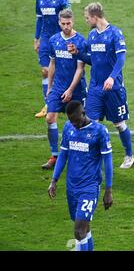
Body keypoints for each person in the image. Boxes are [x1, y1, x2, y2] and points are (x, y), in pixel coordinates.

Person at [68, 2, 134, 169]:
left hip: (114, 88)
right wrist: (78, 53)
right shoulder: (92, 35)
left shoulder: (115, 33)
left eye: (87, 18)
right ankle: (92, 158)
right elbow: (93, 60)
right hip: (96, 88)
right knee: (91, 123)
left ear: (95, 17)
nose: (86, 21)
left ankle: (129, 155)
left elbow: (121, 60)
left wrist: (112, 78)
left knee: (119, 124)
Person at [47, 100, 113, 251]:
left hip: (89, 188)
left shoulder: (99, 131)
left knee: (78, 231)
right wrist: (54, 180)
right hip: (72, 188)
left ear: (83, 113)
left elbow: (108, 162)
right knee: (85, 229)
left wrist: (108, 190)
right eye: (71, 121)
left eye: (76, 121)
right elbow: (63, 154)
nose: (74, 125)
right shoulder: (68, 127)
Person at [41, 9, 87, 170]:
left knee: (76, 124)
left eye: (69, 23)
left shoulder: (80, 41)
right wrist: (50, 86)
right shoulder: (54, 40)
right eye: (63, 24)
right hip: (58, 86)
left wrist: (70, 89)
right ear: (59, 23)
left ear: (73, 22)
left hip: (76, 89)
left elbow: (80, 69)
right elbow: (52, 64)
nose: (66, 26)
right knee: (50, 118)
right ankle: (55, 155)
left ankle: (76, 156)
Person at [34, 0, 71, 118]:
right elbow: (39, 19)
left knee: (61, 71)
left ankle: (63, 99)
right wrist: (36, 39)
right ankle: (48, 104)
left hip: (59, 38)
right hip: (45, 39)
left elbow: (68, 16)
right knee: (45, 71)